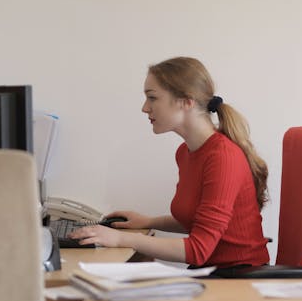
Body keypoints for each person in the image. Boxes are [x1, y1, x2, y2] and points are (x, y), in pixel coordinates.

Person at [70, 56, 271, 269]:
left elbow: (198, 249)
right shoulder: (185, 153)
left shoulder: (223, 157)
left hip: (238, 279)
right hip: (212, 273)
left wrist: (121, 239)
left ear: (186, 101)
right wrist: (148, 222)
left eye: (152, 98)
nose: (145, 108)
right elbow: (199, 221)